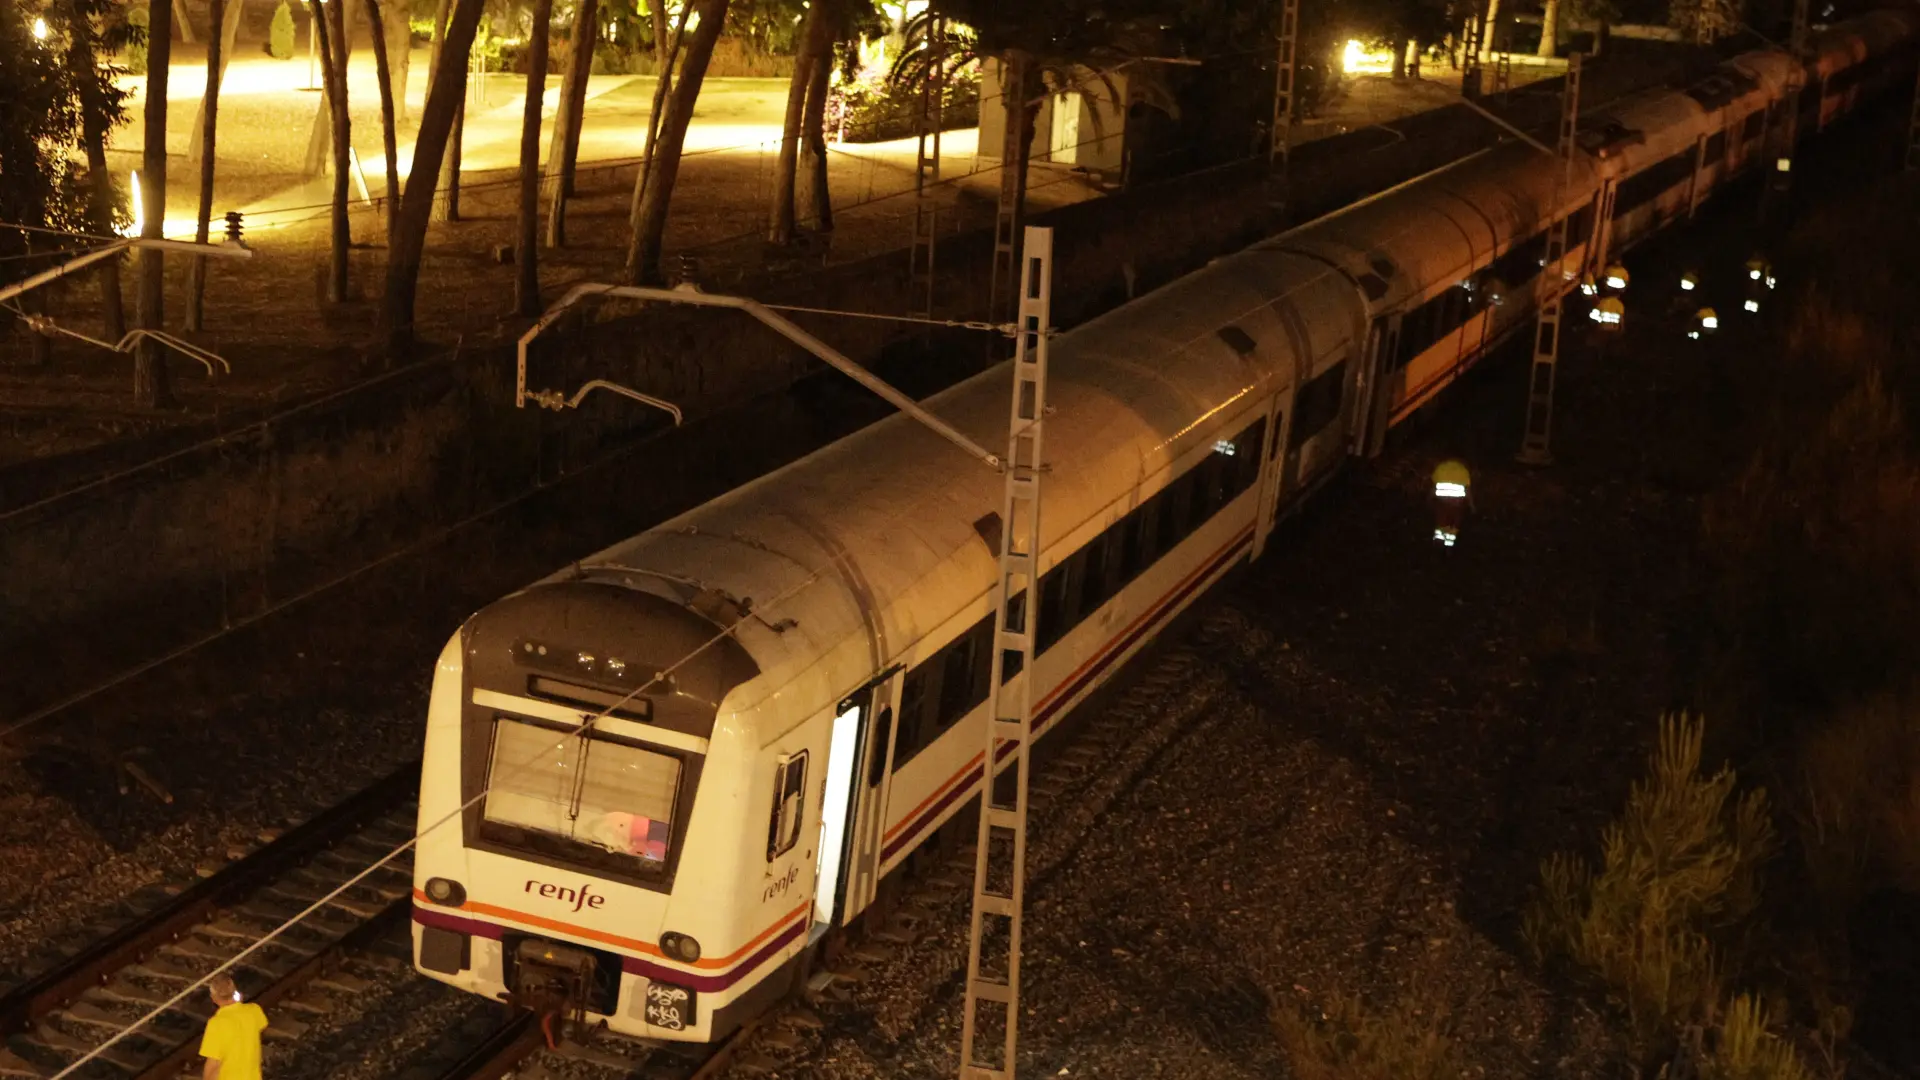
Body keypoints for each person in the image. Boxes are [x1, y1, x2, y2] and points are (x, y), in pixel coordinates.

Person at [199, 973, 269, 1080]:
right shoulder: (254, 1010)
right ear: (235, 992)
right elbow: (262, 1026)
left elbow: (213, 1063)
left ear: (213, 998)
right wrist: (238, 1002)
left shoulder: (216, 1023)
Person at [1431, 458, 1473, 547]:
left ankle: (1438, 544)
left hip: (1441, 502)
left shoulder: (1441, 467)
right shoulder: (1463, 470)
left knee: (1441, 523)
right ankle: (1449, 545)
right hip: (1457, 504)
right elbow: (1467, 489)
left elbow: (1434, 485)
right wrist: (1471, 504)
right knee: (1453, 525)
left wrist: (1429, 499)